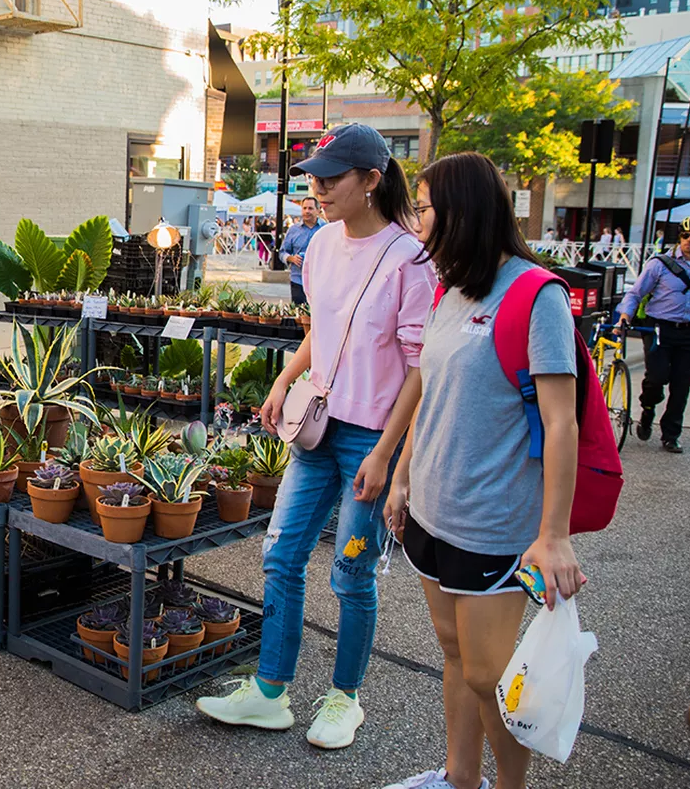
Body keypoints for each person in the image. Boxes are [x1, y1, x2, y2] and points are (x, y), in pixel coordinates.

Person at [197, 124, 435, 750]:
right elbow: (320, 328)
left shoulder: (411, 258)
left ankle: (343, 698)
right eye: (315, 178)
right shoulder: (324, 244)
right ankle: (271, 692)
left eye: (332, 179)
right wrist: (285, 379)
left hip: (369, 438)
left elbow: (421, 367)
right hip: (317, 428)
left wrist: (389, 455)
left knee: (352, 573)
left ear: (372, 181)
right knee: (281, 555)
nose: (319, 189)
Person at [381, 152, 583, 789]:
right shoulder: (450, 290)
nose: (416, 219)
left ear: (461, 212)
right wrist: (403, 474)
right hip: (433, 513)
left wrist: (552, 536)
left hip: (494, 523)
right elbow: (432, 392)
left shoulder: (536, 295)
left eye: (425, 206)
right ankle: (458, 777)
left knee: (488, 675)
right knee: (453, 652)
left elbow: (561, 424)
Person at [616, 215, 690, 453]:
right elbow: (635, 294)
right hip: (660, 329)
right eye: (685, 235)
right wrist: (624, 316)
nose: (689, 241)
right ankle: (648, 410)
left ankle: (671, 434)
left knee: (681, 386)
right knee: (656, 378)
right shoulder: (659, 264)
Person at [279, 196, 322, 304]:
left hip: (320, 281)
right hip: (298, 279)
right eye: (304, 208)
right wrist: (291, 258)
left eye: (310, 208)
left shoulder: (326, 229)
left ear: (318, 210)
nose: (307, 211)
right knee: (299, 314)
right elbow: (282, 252)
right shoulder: (293, 230)